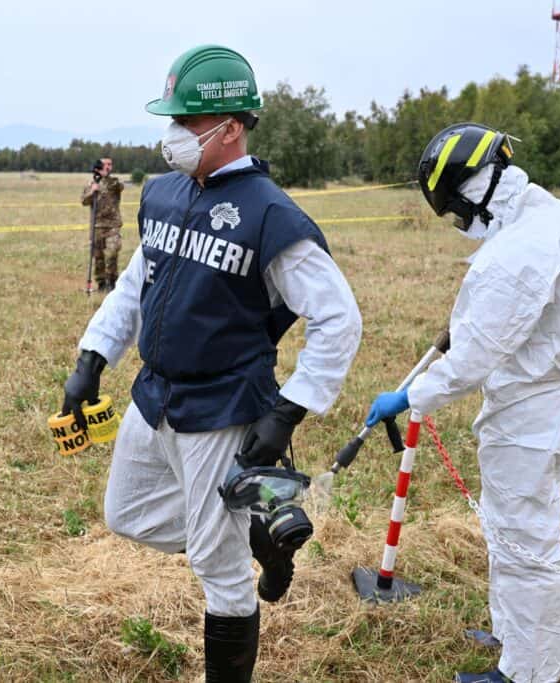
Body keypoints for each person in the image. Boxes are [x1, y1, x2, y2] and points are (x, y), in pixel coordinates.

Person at [61, 45, 361, 682]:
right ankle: (254, 530)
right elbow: (136, 284)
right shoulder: (165, 193)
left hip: (223, 407)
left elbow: (339, 318)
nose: (172, 135)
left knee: (218, 575)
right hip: (155, 395)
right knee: (126, 512)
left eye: (185, 122)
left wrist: (289, 409)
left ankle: (232, 565)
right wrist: (94, 356)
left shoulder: (271, 214)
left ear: (230, 127)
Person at [366, 122, 560, 683]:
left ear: (474, 189)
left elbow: (470, 360)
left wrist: (409, 395)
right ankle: (511, 635)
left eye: (454, 209)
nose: (458, 224)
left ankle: (528, 672)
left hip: (529, 416)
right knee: (511, 528)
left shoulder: (514, 256)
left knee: (525, 544)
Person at [80, 157, 124, 292]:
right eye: (106, 165)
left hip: (112, 226)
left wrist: (106, 177)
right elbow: (84, 201)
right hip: (97, 226)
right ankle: (101, 284)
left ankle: (112, 282)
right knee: (98, 257)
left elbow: (119, 187)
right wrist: (92, 191)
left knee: (112, 253)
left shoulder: (114, 182)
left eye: (110, 164)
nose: (108, 167)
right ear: (99, 167)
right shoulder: (92, 184)